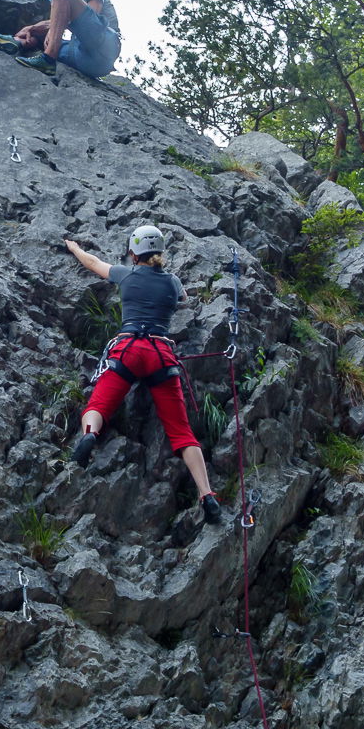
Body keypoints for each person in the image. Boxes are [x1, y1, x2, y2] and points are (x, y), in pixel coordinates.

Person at [64, 224, 224, 526]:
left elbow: (93, 263)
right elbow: (184, 298)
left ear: (133, 253)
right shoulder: (172, 280)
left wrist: (74, 248)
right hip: (161, 355)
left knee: (98, 405)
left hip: (127, 349)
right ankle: (207, 494)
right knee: (181, 432)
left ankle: (89, 436)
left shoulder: (126, 275)